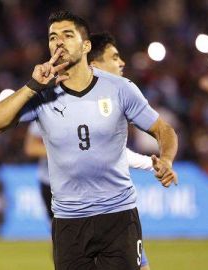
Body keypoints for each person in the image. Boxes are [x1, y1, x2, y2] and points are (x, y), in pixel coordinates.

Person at [0, 11, 178, 270]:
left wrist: (166, 159)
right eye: (53, 37)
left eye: (67, 35)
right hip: (68, 221)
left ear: (86, 45)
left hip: (118, 216)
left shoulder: (120, 88)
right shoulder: (43, 95)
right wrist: (32, 86)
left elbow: (163, 129)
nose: (58, 42)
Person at [23, 32, 154, 270]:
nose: (122, 63)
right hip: (61, 194)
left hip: (114, 205)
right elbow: (28, 144)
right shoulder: (49, 100)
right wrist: (66, 150)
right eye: (114, 58)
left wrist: (154, 162)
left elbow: (116, 151)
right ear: (93, 64)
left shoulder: (120, 93)